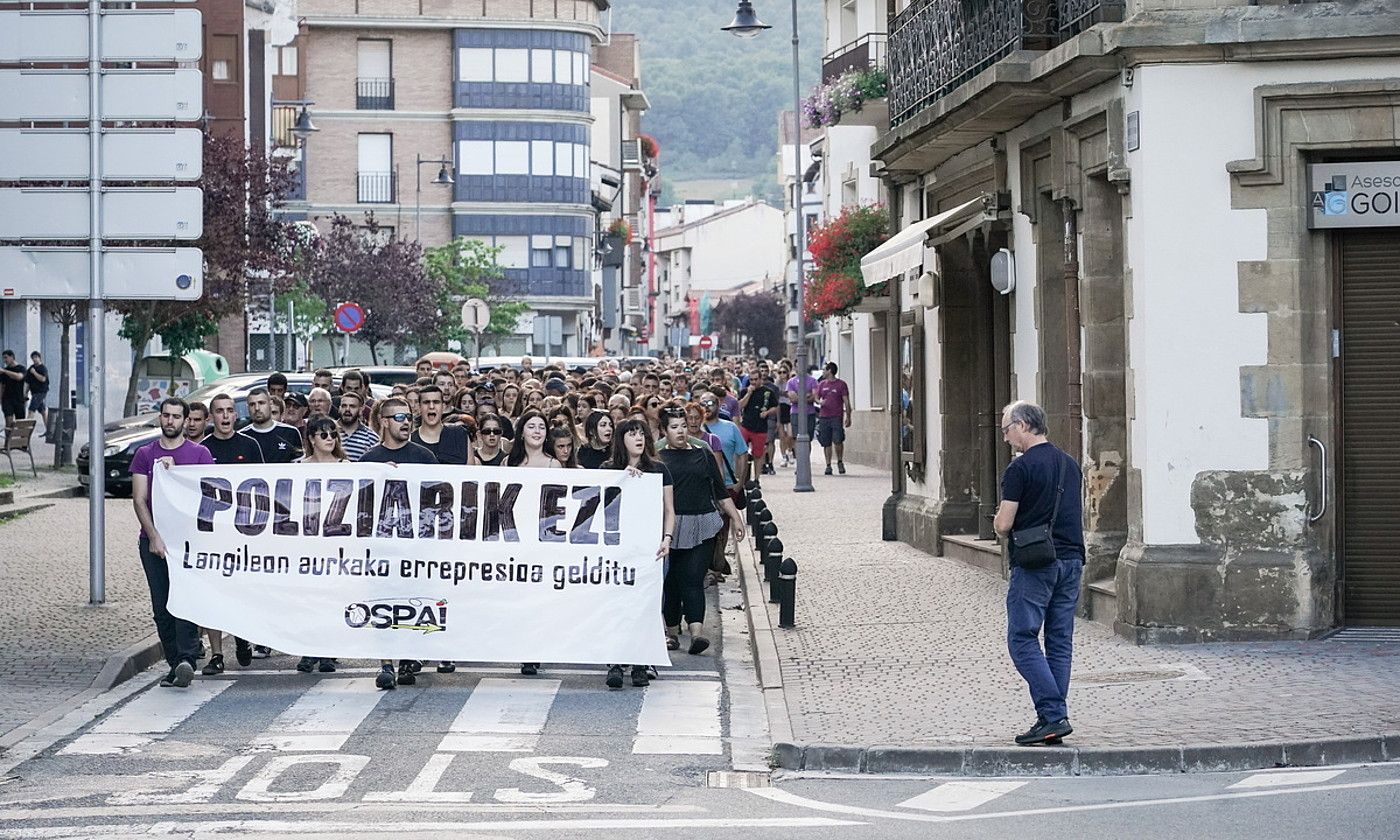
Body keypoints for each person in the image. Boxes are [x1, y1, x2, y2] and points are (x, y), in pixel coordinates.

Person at [992, 400, 1085, 747]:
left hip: (1035, 564)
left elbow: (1004, 524)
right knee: (1059, 640)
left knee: (1022, 638)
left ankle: (1053, 714)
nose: (1005, 438)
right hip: (1072, 559)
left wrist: (997, 520)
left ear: (1023, 425)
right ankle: (1052, 719)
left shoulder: (1019, 469)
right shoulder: (1069, 464)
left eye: (1006, 429)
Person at [129, 397, 214, 689]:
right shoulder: (144, 454)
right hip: (154, 543)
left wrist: (176, 472)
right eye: (166, 415)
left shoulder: (200, 454)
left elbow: (208, 496)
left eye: (177, 417)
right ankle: (174, 662)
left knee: (186, 601)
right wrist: (153, 536)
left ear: (186, 421)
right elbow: (139, 500)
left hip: (189, 543)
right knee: (162, 605)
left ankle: (187, 659)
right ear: (160, 417)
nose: (170, 421)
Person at [357, 397, 438, 690]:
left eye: (409, 418)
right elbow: (360, 504)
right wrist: (379, 477)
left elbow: (437, 498)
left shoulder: (425, 457)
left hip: (415, 544)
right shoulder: (368, 460)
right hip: (382, 545)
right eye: (400, 417)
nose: (407, 422)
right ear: (385, 422)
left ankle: (407, 660)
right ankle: (386, 664)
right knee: (382, 603)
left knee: (409, 602)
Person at [657, 406, 744, 656]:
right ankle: (672, 633)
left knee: (693, 578)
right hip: (670, 527)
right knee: (671, 581)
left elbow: (719, 491)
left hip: (702, 524)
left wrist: (736, 518)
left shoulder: (703, 454)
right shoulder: (657, 458)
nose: (681, 431)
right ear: (665, 431)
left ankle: (697, 634)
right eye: (674, 427)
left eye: (683, 425)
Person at [600, 418, 675, 689]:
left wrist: (667, 538)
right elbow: (601, 507)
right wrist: (623, 483)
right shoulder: (609, 469)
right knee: (618, 605)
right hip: (618, 550)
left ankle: (641, 663)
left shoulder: (659, 470)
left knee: (646, 604)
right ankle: (616, 662)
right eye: (631, 434)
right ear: (622, 440)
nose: (638, 439)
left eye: (641, 434)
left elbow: (669, 509)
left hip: (650, 549)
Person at [198, 393, 263, 672]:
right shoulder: (202, 449)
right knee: (213, 594)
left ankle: (243, 638)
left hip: (245, 534)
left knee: (244, 593)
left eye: (229, 411)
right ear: (211, 417)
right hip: (214, 534)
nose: (225, 416)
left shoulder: (250, 445)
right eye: (219, 412)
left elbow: (265, 487)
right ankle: (217, 655)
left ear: (235, 415)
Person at [294, 416, 350, 675]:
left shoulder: (346, 465)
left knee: (332, 597)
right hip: (309, 541)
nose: (330, 438)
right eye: (324, 434)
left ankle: (329, 651)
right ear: (312, 439)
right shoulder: (298, 468)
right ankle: (309, 648)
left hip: (337, 540)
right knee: (309, 598)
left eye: (333, 434)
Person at [506, 408, 557, 676]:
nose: (537, 431)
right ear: (521, 432)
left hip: (543, 541)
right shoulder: (509, 463)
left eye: (541, 427)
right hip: (515, 539)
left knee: (539, 598)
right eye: (531, 427)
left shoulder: (553, 464)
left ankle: (535, 651)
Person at [737, 369, 779, 484]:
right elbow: (740, 406)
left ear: (760, 379)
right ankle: (742, 477)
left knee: (758, 454)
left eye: (756, 379)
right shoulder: (744, 391)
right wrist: (749, 393)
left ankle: (756, 479)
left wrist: (767, 413)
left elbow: (775, 407)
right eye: (751, 380)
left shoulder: (768, 392)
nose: (754, 382)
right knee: (741, 452)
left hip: (760, 427)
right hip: (746, 425)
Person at [413, 384, 471, 465]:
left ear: (443, 406)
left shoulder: (460, 435)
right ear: (419, 407)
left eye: (436, 402)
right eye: (426, 402)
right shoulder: (410, 440)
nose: (431, 406)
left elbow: (471, 472)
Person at [242, 388, 302, 464]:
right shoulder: (242, 436)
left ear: (270, 404)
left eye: (261, 403)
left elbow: (298, 468)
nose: (257, 408)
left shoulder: (291, 433)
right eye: (252, 404)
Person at [814, 362, 853, 475]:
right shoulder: (821, 384)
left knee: (838, 440)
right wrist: (819, 402)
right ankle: (828, 465)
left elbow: (846, 401)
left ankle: (840, 461)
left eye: (824, 370)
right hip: (824, 416)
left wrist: (848, 416)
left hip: (836, 416)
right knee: (826, 442)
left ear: (830, 370)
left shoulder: (841, 385)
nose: (823, 372)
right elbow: (816, 397)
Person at [336, 391, 380, 461]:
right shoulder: (328, 433)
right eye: (344, 406)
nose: (347, 409)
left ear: (361, 409)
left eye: (352, 406)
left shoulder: (372, 438)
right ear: (339, 408)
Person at [24, 351, 49, 432]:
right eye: (33, 358)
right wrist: (25, 393)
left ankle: (24, 432)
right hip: (34, 392)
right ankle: (49, 431)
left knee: (31, 410)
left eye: (36, 357)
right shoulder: (30, 369)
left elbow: (43, 379)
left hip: (41, 392)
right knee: (43, 411)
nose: (34, 359)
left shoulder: (43, 368)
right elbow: (27, 382)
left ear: (39, 358)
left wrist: (34, 373)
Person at [0, 350, 25, 425]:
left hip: (19, 399)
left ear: (12, 357)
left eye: (6, 358)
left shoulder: (21, 368)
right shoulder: (4, 371)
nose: (4, 360)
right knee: (9, 422)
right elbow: (2, 386)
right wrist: (0, 399)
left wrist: (4, 371)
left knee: (20, 423)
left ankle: (20, 437)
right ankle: (9, 437)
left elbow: (19, 377)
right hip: (7, 399)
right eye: (3, 358)